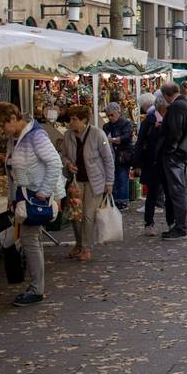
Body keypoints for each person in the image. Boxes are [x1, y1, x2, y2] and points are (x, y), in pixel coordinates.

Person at [0, 103, 61, 306]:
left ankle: (37, 288)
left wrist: (44, 192)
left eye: (2, 126)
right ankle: (32, 283)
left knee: (31, 241)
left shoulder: (35, 136)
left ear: (13, 119)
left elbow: (54, 163)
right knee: (26, 240)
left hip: (32, 197)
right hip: (23, 197)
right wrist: (11, 198)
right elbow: (13, 172)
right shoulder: (16, 138)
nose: (2, 131)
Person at [60, 105, 114, 262]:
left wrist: (109, 182)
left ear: (84, 120)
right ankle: (78, 244)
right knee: (76, 216)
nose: (71, 122)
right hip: (76, 181)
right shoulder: (68, 135)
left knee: (89, 215)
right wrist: (68, 164)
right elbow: (63, 155)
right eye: (70, 119)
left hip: (95, 181)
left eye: (74, 119)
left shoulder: (98, 134)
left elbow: (108, 159)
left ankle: (86, 248)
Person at [158, 82, 187, 240]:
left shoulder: (176, 107)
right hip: (184, 153)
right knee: (179, 190)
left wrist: (169, 149)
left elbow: (175, 132)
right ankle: (180, 226)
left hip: (176, 156)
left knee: (178, 191)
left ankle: (181, 227)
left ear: (166, 95)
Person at [139, 93, 170, 236]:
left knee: (169, 193)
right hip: (152, 163)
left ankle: (172, 222)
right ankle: (148, 223)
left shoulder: (170, 118)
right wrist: (137, 164)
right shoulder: (150, 120)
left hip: (167, 162)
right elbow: (141, 142)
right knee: (152, 193)